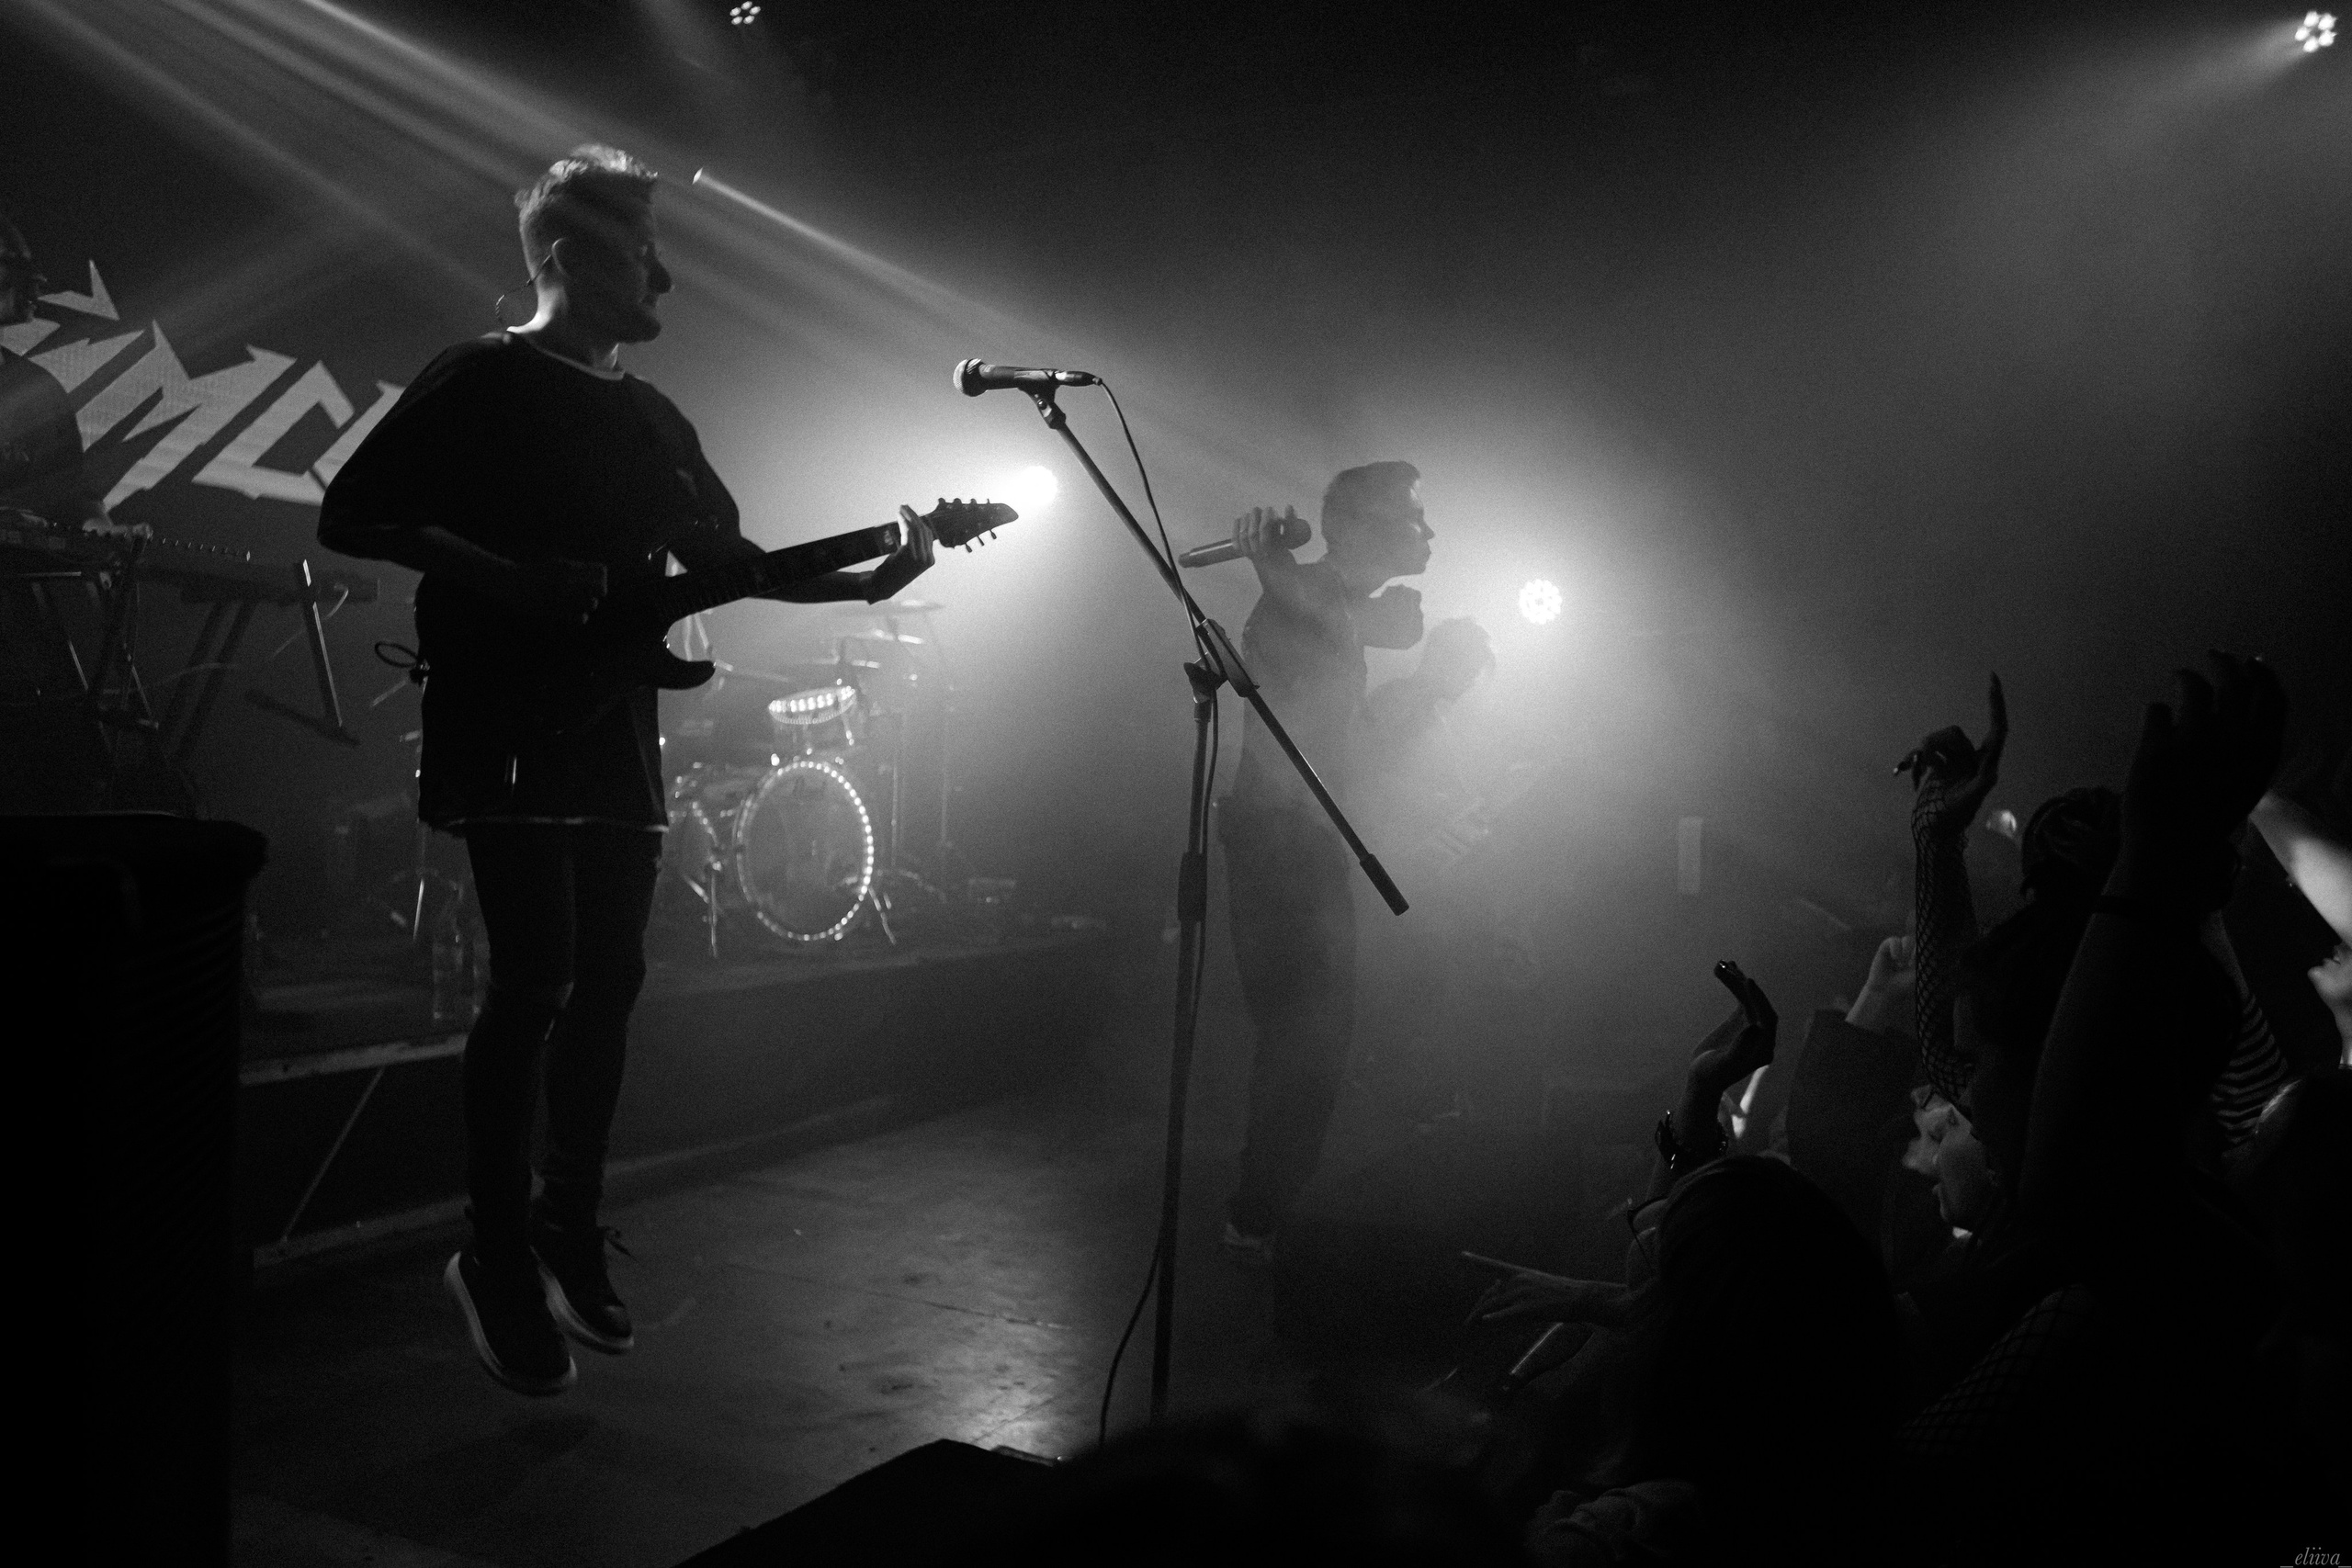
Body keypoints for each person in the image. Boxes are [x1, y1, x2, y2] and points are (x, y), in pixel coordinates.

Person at [317, 145, 934, 1395]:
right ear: (562, 258)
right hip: (508, 704)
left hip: (613, 720)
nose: (663, 273)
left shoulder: (655, 418)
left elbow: (735, 560)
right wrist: (509, 577)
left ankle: (562, 1219)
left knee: (611, 978)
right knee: (535, 976)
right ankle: (491, 1249)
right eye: (639, 249)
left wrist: (884, 566)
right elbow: (354, 513)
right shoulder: (484, 376)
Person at [1216, 461, 1430, 1257]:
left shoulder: (1327, 596)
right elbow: (1324, 612)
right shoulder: (1293, 599)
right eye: (1414, 516)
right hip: (1279, 840)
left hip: (1310, 837)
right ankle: (1258, 1215)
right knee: (1302, 1032)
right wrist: (1271, 567)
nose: (1430, 531)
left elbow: (1394, 624)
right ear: (1360, 527)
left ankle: (1275, 1206)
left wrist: (1277, 566)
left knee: (1318, 1032)